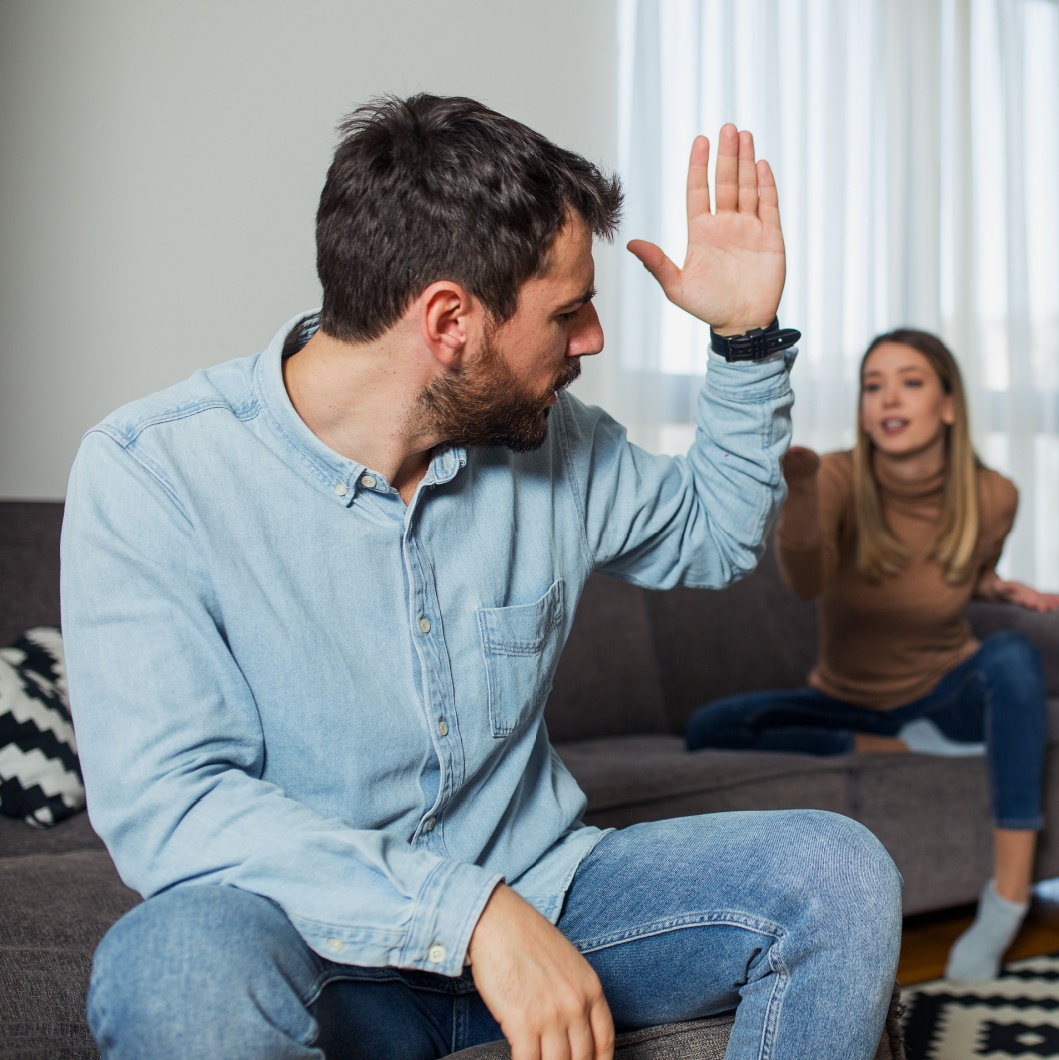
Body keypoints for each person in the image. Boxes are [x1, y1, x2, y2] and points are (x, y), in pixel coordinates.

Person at [61, 94, 901, 1060]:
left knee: (838, 874)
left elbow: (712, 536)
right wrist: (469, 914)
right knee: (171, 966)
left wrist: (747, 344)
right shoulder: (151, 474)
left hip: (551, 899)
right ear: (450, 320)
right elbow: (177, 806)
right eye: (567, 311)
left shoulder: (552, 448)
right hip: (317, 946)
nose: (590, 340)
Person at [685, 328, 1059, 984]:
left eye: (911, 382)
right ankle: (887, 745)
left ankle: (1007, 901)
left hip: (942, 690)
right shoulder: (833, 475)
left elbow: (961, 568)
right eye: (873, 384)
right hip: (845, 697)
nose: (889, 397)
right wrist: (800, 493)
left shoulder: (994, 495)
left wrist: (994, 585)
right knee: (710, 727)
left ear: (949, 404)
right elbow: (806, 583)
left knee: (1013, 657)